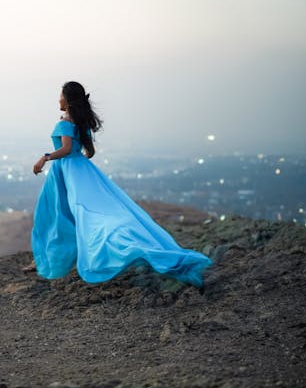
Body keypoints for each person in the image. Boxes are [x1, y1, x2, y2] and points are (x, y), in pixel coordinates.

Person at [29, 81, 212, 286]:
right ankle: (47, 259)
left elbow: (65, 149)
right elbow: (89, 152)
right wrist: (76, 157)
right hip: (82, 171)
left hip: (66, 171)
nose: (58, 99)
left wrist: (45, 157)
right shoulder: (80, 123)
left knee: (56, 215)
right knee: (86, 213)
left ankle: (49, 259)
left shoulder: (64, 122)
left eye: (60, 95)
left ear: (68, 100)